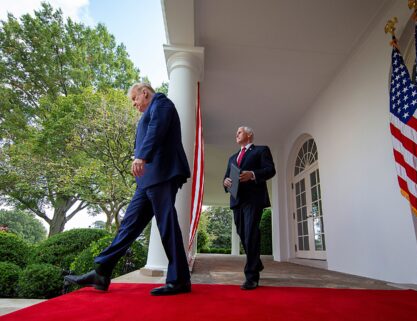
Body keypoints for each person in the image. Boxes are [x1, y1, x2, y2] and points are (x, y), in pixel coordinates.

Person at [64, 83, 192, 296]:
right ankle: (102, 272)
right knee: (128, 226)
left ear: (144, 92)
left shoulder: (161, 103)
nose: (134, 104)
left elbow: (156, 129)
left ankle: (179, 280)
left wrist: (141, 156)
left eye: (135, 99)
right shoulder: (149, 112)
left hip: (161, 173)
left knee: (167, 225)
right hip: (147, 180)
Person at [223, 126, 275, 290]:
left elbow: (270, 170)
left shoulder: (261, 150)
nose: (236, 134)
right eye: (236, 132)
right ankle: (256, 262)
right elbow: (226, 178)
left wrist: (252, 174)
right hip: (237, 200)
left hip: (253, 199)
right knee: (242, 233)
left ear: (249, 135)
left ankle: (251, 276)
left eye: (239, 131)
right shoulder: (232, 157)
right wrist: (225, 183)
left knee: (251, 232)